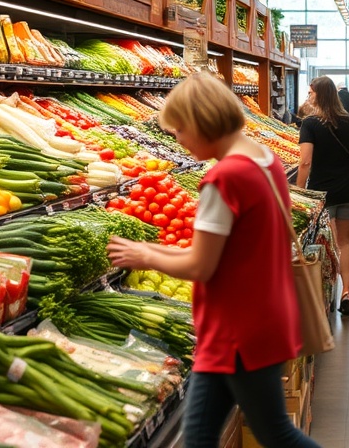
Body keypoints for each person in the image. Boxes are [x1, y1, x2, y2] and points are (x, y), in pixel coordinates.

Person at [106, 73, 320, 448]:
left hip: (240, 329)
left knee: (275, 433)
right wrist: (152, 251)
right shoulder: (263, 158)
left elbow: (201, 267)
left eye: (179, 129)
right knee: (201, 437)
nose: (178, 140)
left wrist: (145, 254)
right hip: (252, 317)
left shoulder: (224, 179)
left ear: (201, 122)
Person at [299, 76, 349, 315]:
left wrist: (299, 193)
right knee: (345, 242)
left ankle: (323, 297)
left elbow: (305, 161)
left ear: (319, 94)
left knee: (323, 245)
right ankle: (346, 293)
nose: (309, 96)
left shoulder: (310, 123)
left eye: (311, 92)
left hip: (321, 193)